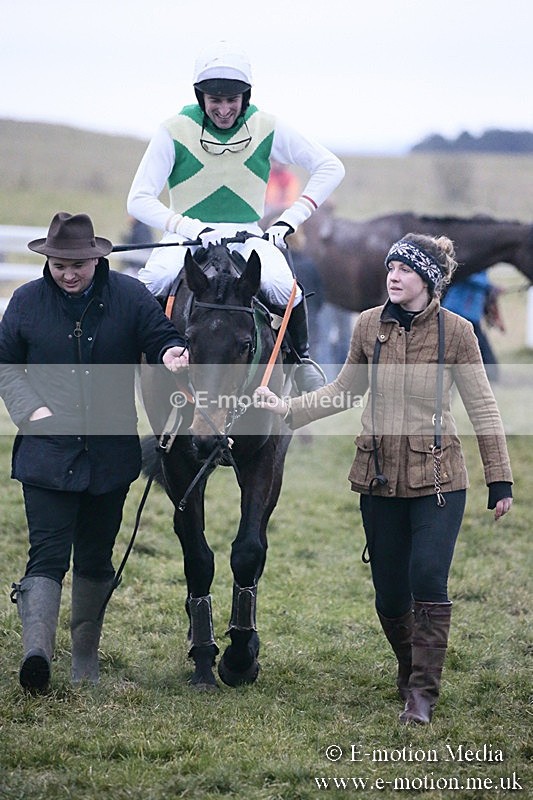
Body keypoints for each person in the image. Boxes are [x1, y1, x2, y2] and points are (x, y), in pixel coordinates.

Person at [255, 233, 513, 725]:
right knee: (390, 595)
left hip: (439, 480)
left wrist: (499, 480)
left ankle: (422, 694)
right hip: (376, 478)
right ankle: (408, 665)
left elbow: (483, 405)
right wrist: (286, 410)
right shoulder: (368, 326)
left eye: (406, 270)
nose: (393, 276)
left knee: (427, 580)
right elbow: (343, 392)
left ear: (429, 281)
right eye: (391, 268)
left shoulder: (457, 333)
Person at [0, 212, 189, 692]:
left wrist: (171, 352)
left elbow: (161, 336)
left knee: (96, 557)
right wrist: (30, 411)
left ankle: (85, 660)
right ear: (48, 260)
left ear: (96, 258)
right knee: (46, 555)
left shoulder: (129, 297)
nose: (68, 273)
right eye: (60, 264)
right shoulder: (25, 302)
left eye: (78, 264)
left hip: (110, 457)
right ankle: (36, 655)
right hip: (46, 453)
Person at [127, 40, 345, 392]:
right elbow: (137, 199)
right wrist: (191, 228)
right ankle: (127, 364)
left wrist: (290, 220)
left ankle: (301, 359)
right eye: (215, 101)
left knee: (287, 289)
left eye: (232, 100)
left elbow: (330, 166)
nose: (224, 109)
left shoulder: (267, 126)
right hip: (186, 235)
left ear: (245, 97)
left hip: (248, 235)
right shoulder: (172, 130)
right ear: (201, 98)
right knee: (148, 285)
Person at [442, 270, 505, 382]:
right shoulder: (471, 260)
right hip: (457, 314)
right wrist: (490, 287)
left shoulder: (483, 265)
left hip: (471, 317)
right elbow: (467, 275)